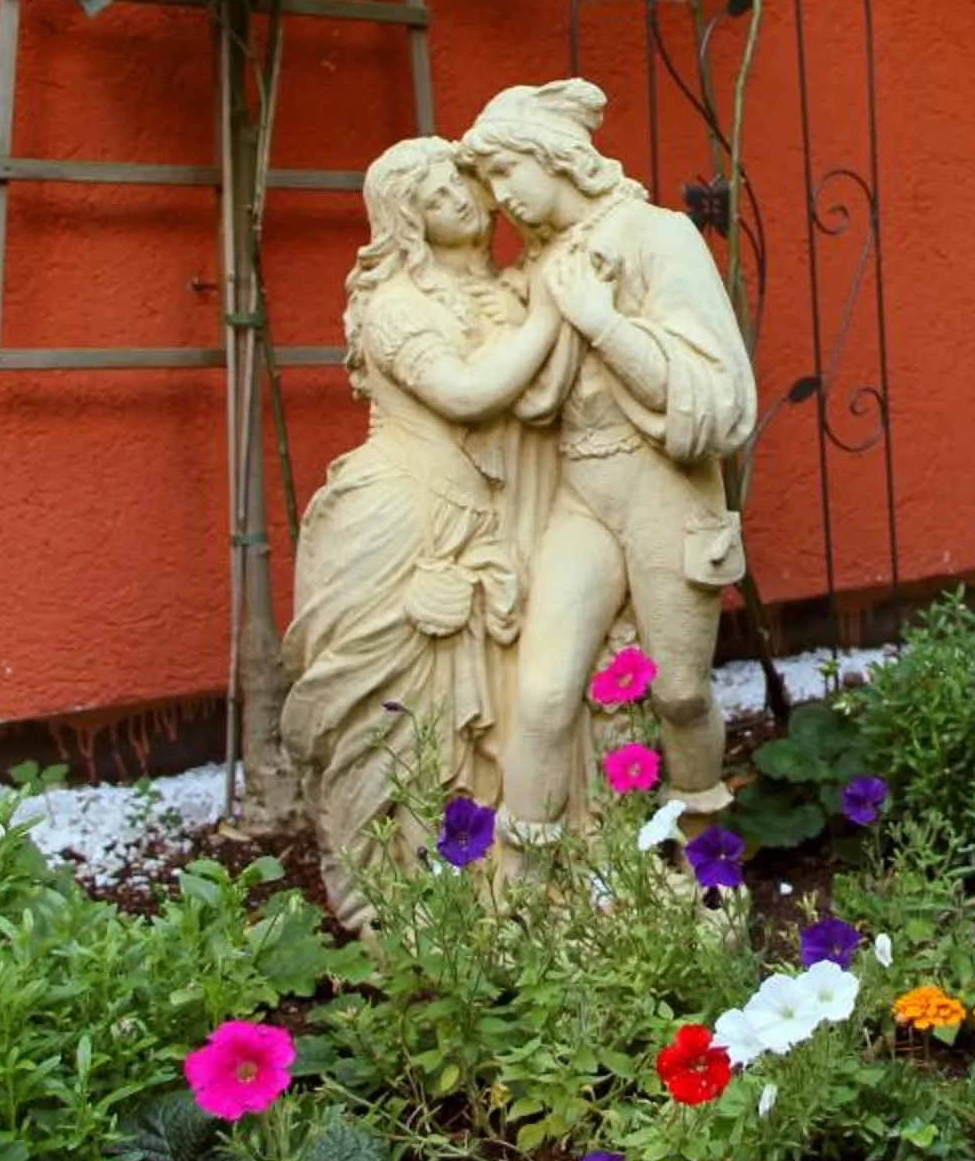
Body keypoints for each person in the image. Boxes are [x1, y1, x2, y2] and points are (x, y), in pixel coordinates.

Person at [456, 80, 757, 841]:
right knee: (545, 689)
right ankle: (525, 887)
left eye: (505, 173)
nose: (499, 197)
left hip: (664, 490)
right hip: (582, 496)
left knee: (682, 693)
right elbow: (528, 399)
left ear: (551, 157)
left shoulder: (659, 235)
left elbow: (717, 397)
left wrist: (598, 318)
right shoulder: (539, 267)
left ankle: (705, 854)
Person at [279, 136, 564, 922]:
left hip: (488, 524)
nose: (464, 201)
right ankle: (385, 904)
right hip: (399, 521)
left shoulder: (506, 291)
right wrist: (556, 311)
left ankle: (477, 895)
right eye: (439, 197)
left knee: (481, 727)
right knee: (388, 722)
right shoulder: (397, 306)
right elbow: (468, 393)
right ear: (407, 219)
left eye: (465, 185)